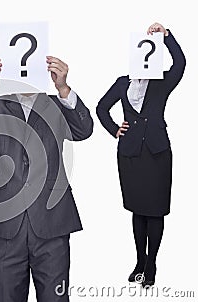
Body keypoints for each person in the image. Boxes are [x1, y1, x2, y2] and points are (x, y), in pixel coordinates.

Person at [0, 56, 93, 302]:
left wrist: (63, 88)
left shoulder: (57, 104)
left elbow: (83, 131)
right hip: (6, 224)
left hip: (52, 221)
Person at [96, 22, 186, 287]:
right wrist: (115, 129)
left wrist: (167, 36)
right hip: (130, 154)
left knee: (155, 211)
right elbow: (102, 107)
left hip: (157, 153)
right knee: (137, 210)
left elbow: (180, 64)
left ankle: (152, 263)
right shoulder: (122, 82)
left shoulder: (161, 82)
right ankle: (139, 260)